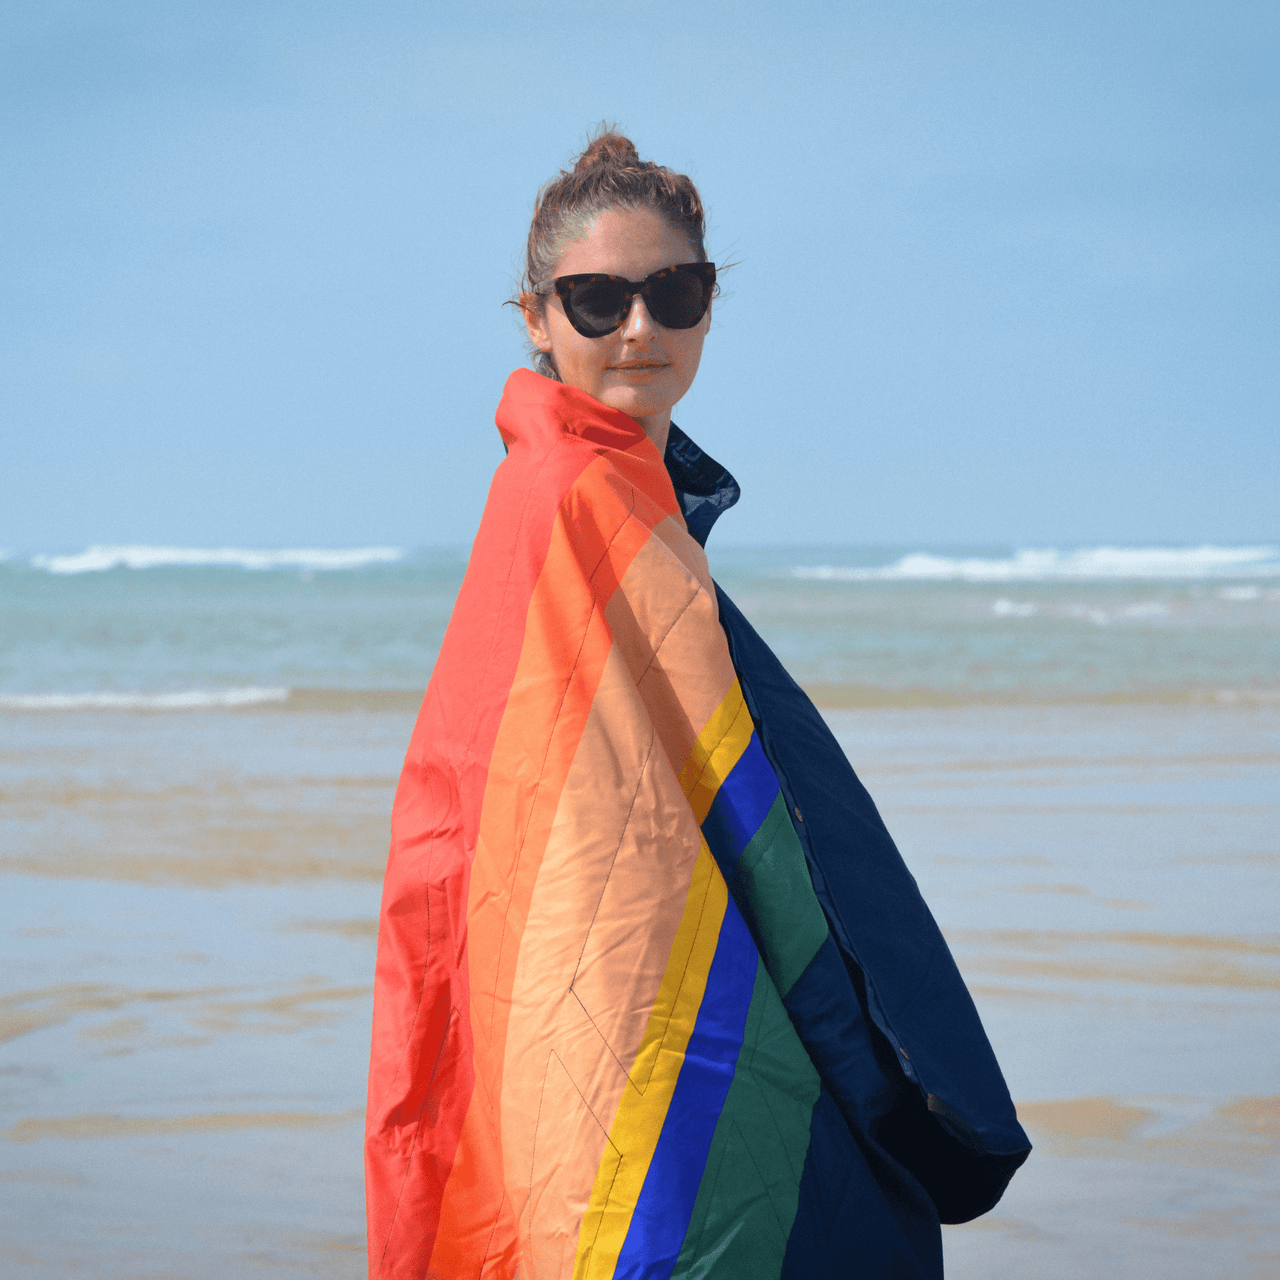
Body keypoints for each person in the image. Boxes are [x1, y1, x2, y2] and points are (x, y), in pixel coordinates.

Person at [365, 130, 1030, 1280]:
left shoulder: (629, 491)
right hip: (609, 944)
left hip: (643, 931)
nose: (639, 327)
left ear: (709, 307)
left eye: (673, 292)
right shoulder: (569, 490)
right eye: (597, 298)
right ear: (534, 317)